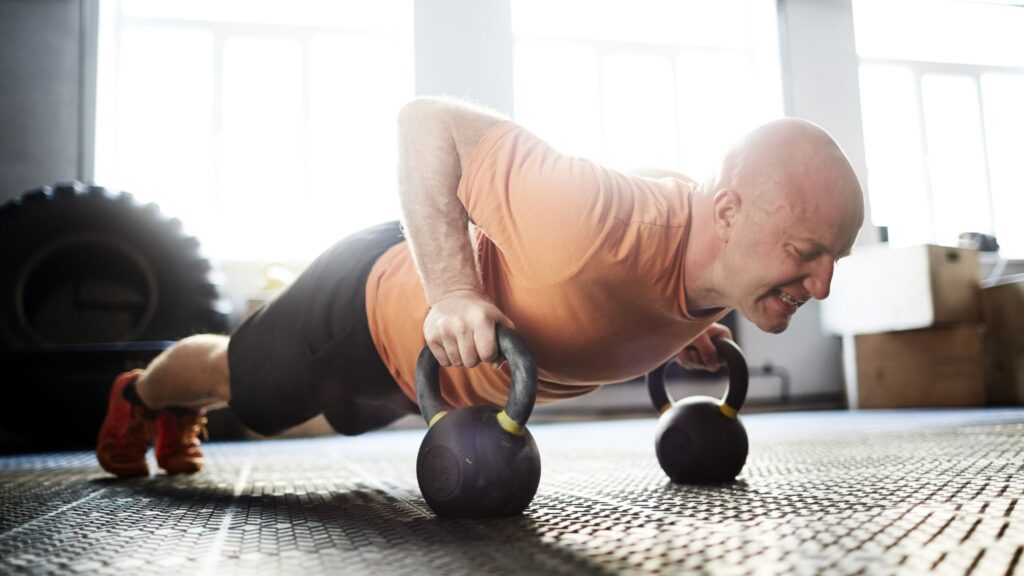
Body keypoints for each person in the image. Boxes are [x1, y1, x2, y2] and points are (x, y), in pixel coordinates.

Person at [96, 96, 864, 477]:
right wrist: (454, 291)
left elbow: (665, 245)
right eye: (807, 251)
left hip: (429, 387)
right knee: (246, 391)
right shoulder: (589, 217)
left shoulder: (724, 260)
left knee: (333, 420)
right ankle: (143, 394)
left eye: (835, 257)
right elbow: (427, 120)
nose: (823, 285)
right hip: (364, 313)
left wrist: (687, 319)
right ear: (729, 213)